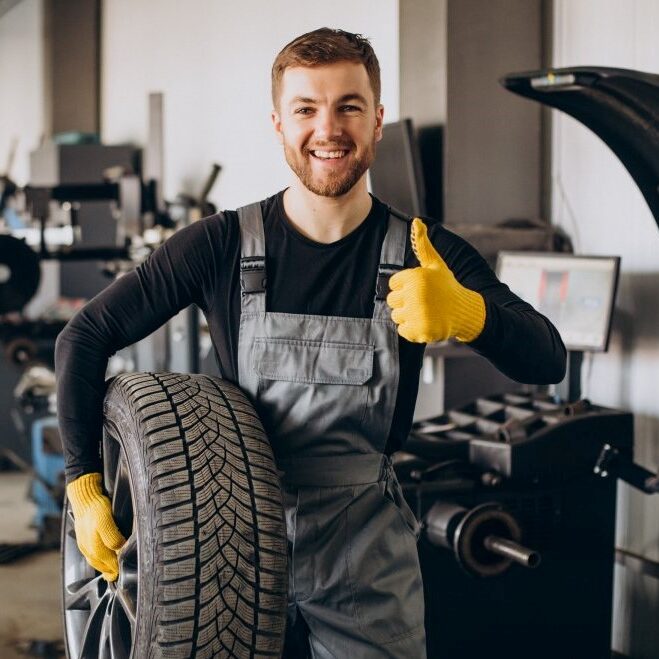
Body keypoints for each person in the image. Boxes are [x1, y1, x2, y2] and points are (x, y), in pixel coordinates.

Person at [55, 27, 566, 658]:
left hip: (365, 556)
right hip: (225, 542)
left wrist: (469, 313)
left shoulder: (425, 251)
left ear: (377, 121)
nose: (328, 129)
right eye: (306, 109)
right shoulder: (219, 245)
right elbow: (84, 336)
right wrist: (83, 484)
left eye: (349, 106)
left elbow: (547, 356)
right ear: (278, 124)